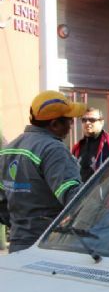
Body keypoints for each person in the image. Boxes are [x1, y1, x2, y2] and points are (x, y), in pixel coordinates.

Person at [0, 91, 85, 252]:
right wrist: (108, 219)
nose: (71, 125)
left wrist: (21, 224)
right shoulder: (53, 149)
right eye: (69, 120)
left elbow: (2, 204)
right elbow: (75, 199)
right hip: (50, 245)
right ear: (54, 124)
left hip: (19, 244)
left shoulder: (8, 149)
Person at [71, 107, 109, 182]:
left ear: (101, 122)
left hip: (103, 191)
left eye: (92, 120)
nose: (87, 123)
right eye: (84, 120)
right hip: (81, 192)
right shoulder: (77, 147)